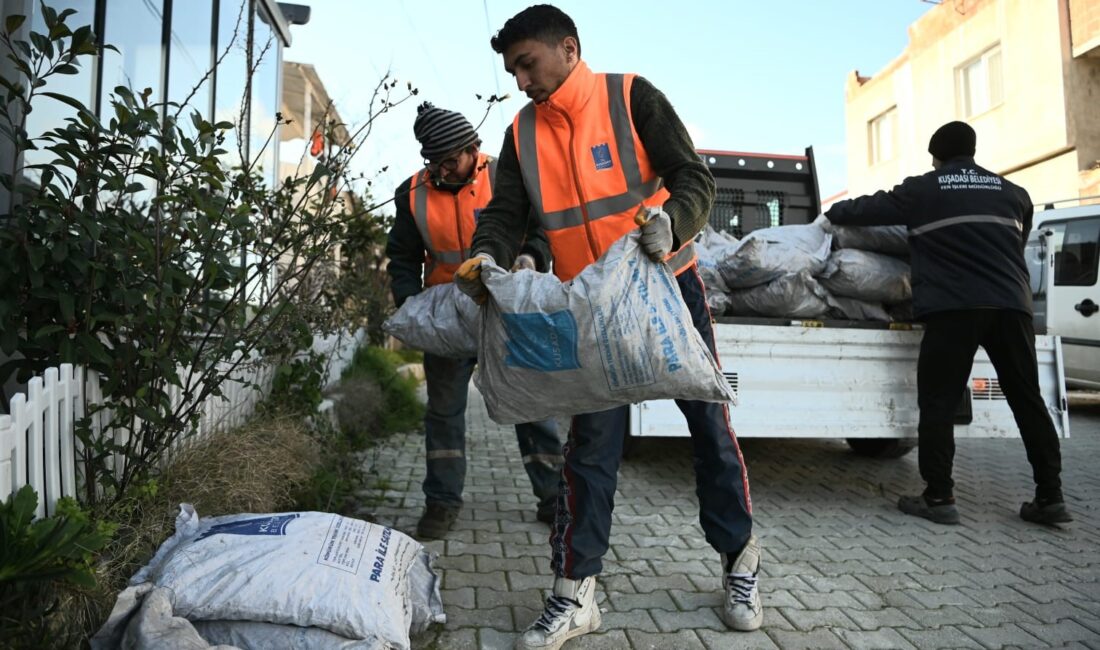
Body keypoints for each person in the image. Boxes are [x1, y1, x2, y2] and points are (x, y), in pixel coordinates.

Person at [452, 6, 762, 649]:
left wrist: (673, 221)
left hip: (666, 287)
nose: (519, 81)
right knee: (589, 448)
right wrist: (486, 254)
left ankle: (740, 565)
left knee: (708, 424)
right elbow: (506, 213)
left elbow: (693, 177)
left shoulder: (630, 96)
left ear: (568, 48)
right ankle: (575, 594)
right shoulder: (521, 133)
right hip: (586, 307)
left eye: (526, 64)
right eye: (511, 70)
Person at [826, 120, 1071, 527]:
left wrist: (833, 212)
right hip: (1012, 306)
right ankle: (1051, 498)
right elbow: (1017, 239)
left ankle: (939, 497)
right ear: (972, 152)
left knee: (938, 401)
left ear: (936, 155)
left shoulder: (926, 188)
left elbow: (864, 210)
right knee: (1028, 400)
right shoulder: (1014, 193)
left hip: (954, 306)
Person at [385, 102, 564, 540]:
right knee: (444, 412)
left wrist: (530, 257)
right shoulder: (411, 193)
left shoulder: (508, 174)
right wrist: (410, 305)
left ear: (473, 149)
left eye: (451, 160)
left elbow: (541, 230)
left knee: (532, 405)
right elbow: (404, 257)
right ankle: (442, 503)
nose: (443, 170)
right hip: (448, 318)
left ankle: (554, 499)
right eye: (435, 162)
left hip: (509, 308)